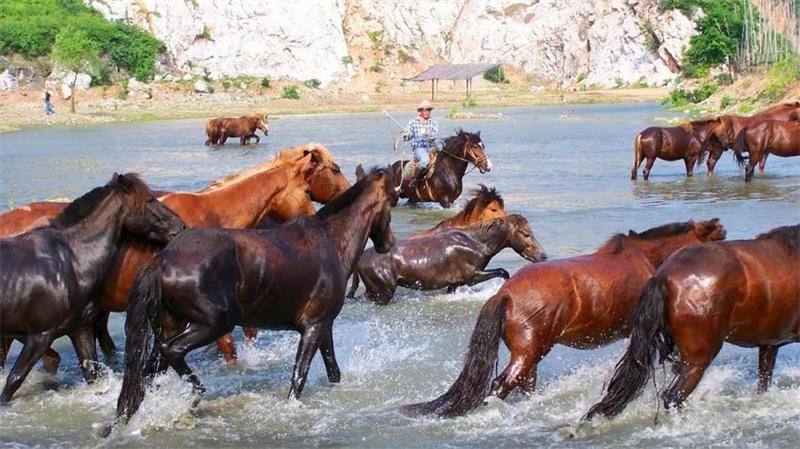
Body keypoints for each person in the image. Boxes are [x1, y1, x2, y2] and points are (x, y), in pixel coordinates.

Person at [402, 100, 443, 188]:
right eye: (425, 110)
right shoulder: (413, 122)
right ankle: (416, 179)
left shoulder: (433, 122)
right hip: (419, 148)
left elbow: (435, 136)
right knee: (425, 160)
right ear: (420, 111)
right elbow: (406, 138)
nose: (427, 112)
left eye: (429, 110)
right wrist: (405, 134)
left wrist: (428, 134)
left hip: (432, 147)